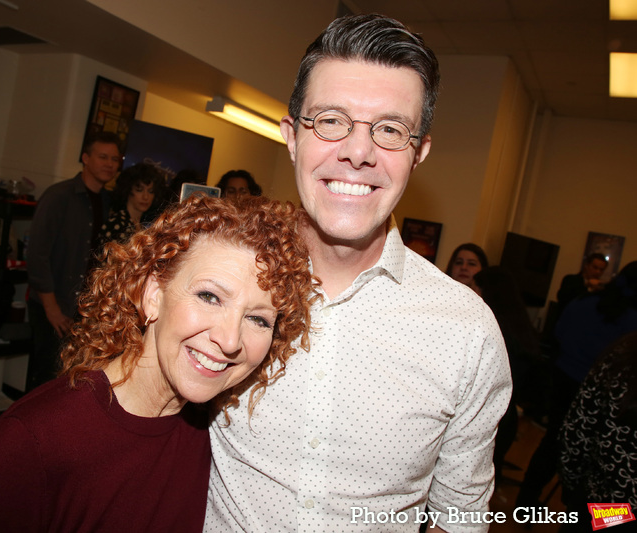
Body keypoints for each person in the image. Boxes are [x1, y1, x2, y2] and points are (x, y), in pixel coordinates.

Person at [206, 14, 512, 532]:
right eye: (330, 120)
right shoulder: (217, 280)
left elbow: (460, 516)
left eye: (391, 130)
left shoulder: (468, 333)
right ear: (291, 137)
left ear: (419, 153)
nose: (358, 152)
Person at [0, 196, 315, 533]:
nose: (230, 340)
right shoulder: (36, 441)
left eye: (259, 319)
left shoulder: (211, 431)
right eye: (209, 296)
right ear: (152, 295)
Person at [516, 261, 637, 511]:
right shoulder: (631, 324)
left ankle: (527, 503)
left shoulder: (585, 301)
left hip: (564, 379)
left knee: (554, 442)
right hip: (601, 398)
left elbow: (558, 333)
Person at [26, 131, 121, 391]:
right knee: (44, 381)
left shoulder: (109, 202)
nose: (109, 164)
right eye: (102, 157)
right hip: (53, 308)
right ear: (85, 158)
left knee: (71, 384)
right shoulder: (59, 196)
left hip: (85, 311)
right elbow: (37, 255)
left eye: (114, 159)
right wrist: (52, 308)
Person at [558, 331, 637, 532]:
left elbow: (575, 435)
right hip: (611, 507)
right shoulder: (622, 358)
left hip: (608, 505)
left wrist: (572, 487)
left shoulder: (621, 358)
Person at [472, 267, 540, 482]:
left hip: (487, 423)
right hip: (506, 421)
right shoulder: (519, 328)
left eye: (474, 288)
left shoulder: (492, 332)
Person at [99, 162, 167, 245]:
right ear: (127, 190)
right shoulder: (116, 224)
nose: (145, 197)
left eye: (150, 191)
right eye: (139, 190)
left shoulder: (143, 226)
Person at [556, 252, 609, 317]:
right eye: (595, 268)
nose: (598, 272)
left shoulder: (600, 289)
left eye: (601, 270)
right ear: (586, 265)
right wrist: (587, 285)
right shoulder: (570, 279)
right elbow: (563, 299)